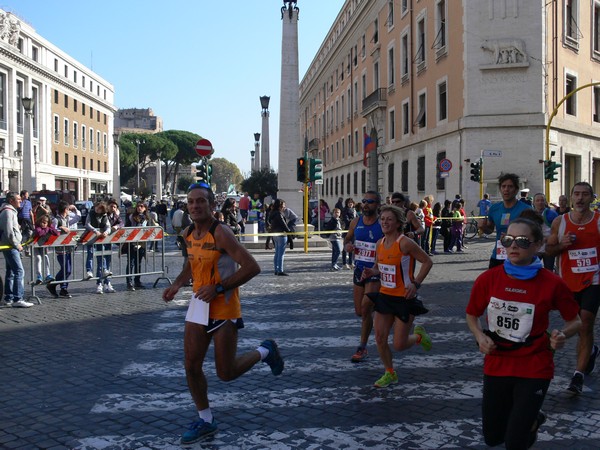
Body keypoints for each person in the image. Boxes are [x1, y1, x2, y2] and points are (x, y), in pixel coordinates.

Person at [162, 182, 283, 445]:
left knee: (225, 373)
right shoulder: (188, 233)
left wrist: (217, 287)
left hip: (224, 307)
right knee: (191, 366)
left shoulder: (222, 233)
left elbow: (252, 267)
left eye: (200, 201)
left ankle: (265, 351)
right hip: (198, 306)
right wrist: (177, 284)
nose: (195, 206)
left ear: (212, 205)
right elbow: (191, 264)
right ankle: (206, 420)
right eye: (191, 202)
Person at [466, 217, 581, 449]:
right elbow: (471, 315)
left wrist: (561, 335)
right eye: (508, 240)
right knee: (493, 437)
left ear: (538, 245)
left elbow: (575, 321)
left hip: (535, 364)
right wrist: (480, 337)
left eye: (522, 241)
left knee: (515, 442)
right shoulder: (488, 279)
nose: (513, 246)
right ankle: (533, 420)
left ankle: (526, 423)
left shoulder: (552, 283)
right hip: (498, 363)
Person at [362, 205, 433, 388]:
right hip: (385, 296)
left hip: (404, 298)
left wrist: (416, 284)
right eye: (382, 219)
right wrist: (371, 271)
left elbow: (427, 261)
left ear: (398, 223)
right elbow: (380, 266)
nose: (384, 222)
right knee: (379, 337)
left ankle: (418, 336)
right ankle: (390, 372)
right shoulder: (379, 243)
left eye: (389, 219)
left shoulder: (404, 243)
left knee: (399, 345)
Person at [546, 182, 600, 394]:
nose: (580, 198)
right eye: (576, 194)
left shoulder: (597, 221)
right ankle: (592, 351)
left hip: (594, 281)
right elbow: (549, 251)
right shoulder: (560, 222)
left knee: (585, 323)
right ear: (570, 197)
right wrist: (562, 245)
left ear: (591, 198)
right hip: (568, 283)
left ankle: (577, 376)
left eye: (584, 195)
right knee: (574, 324)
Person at [343, 191, 384, 362]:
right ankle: (382, 308)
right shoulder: (355, 222)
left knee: (366, 307)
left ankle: (362, 347)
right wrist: (348, 246)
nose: (366, 204)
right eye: (364, 201)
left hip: (376, 271)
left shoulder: (383, 223)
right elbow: (346, 240)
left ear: (377, 205)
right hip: (359, 269)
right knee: (360, 311)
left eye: (370, 202)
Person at [478, 173, 532, 268]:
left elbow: (533, 235)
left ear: (516, 190)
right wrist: (483, 227)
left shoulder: (526, 209)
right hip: (498, 255)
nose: (506, 189)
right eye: (503, 186)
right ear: (500, 189)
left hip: (519, 256)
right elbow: (490, 230)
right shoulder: (494, 208)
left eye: (510, 186)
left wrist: (512, 236)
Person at [0, 192, 33, 307]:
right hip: (11, 246)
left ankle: (9, 298)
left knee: (11, 272)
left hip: (9, 245)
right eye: (18, 199)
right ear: (11, 201)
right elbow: (9, 232)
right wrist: (16, 244)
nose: (21, 201)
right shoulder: (8, 212)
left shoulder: (9, 211)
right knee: (19, 271)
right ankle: (18, 298)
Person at [49, 201, 81, 298]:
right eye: (68, 209)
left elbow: (77, 218)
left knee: (68, 270)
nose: (69, 211)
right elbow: (52, 230)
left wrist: (75, 209)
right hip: (60, 248)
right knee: (66, 269)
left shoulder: (67, 219)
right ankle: (54, 285)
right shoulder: (56, 220)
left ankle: (63, 288)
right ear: (65, 210)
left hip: (68, 247)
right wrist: (60, 227)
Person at [84, 201, 111, 288]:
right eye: (97, 207)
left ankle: (104, 269)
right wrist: (95, 231)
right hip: (91, 237)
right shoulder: (91, 213)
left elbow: (108, 226)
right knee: (90, 253)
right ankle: (89, 270)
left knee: (101, 255)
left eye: (99, 208)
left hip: (100, 238)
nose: (97, 209)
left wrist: (106, 232)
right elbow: (87, 224)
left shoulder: (104, 216)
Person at [125, 202, 149, 291]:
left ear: (145, 208)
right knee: (130, 263)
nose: (139, 208)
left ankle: (137, 281)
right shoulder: (131, 217)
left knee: (138, 263)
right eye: (138, 206)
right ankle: (129, 281)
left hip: (142, 243)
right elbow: (126, 228)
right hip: (131, 243)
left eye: (141, 206)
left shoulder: (147, 218)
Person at [100, 199, 124, 293]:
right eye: (111, 206)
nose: (113, 208)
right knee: (101, 263)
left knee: (108, 262)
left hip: (109, 242)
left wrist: (117, 226)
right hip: (101, 240)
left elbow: (121, 222)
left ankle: (107, 282)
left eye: (115, 207)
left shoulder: (115, 216)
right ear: (107, 206)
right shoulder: (103, 215)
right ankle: (100, 283)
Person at [532, 192, 558, 271]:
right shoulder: (530, 214)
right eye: (537, 200)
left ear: (545, 202)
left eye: (542, 200)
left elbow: (558, 230)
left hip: (548, 248)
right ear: (534, 202)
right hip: (536, 248)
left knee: (549, 270)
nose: (540, 202)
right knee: (533, 269)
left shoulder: (552, 214)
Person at [32, 214, 59, 285]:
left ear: (48, 223)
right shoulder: (37, 227)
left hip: (43, 246)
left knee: (46, 258)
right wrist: (47, 229)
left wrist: (50, 227)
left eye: (45, 223)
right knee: (38, 258)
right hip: (36, 246)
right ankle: (39, 276)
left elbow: (56, 233)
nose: (43, 224)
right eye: (42, 222)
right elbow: (40, 233)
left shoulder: (48, 227)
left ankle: (48, 274)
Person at [269, 199, 291, 276]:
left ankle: (276, 269)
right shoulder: (279, 214)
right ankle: (280, 270)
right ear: (280, 206)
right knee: (281, 253)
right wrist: (289, 231)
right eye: (284, 205)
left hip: (275, 235)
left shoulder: (272, 213)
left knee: (277, 253)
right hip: (281, 235)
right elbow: (284, 224)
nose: (284, 207)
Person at [341, 198, 357, 269]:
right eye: (349, 202)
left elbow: (358, 218)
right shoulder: (345, 210)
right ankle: (344, 263)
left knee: (352, 247)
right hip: (347, 230)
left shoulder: (354, 210)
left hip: (354, 230)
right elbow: (346, 220)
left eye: (351, 202)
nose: (350, 204)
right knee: (346, 247)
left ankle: (351, 262)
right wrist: (354, 221)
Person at [17, 189, 33, 255]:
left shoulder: (29, 202)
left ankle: (27, 249)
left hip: (28, 220)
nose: (28, 196)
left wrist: (33, 223)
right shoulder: (18, 202)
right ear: (23, 195)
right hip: (20, 220)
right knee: (20, 236)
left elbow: (31, 213)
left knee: (30, 234)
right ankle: (20, 251)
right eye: (27, 195)